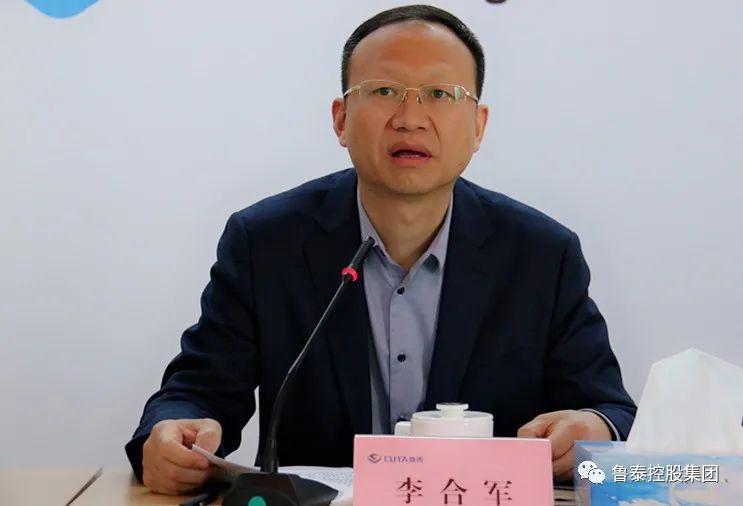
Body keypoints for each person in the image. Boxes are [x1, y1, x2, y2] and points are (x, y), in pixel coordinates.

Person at [126, 4, 636, 495]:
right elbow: (199, 391)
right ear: (341, 118)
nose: (410, 118)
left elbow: (610, 411)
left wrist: (591, 430)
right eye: (385, 91)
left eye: (440, 93)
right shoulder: (265, 243)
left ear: (478, 126)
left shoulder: (542, 256)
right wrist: (173, 434)